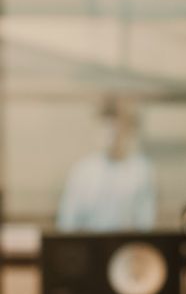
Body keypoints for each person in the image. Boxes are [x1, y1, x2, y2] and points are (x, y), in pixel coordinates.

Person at [56, 97, 156, 232]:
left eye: (117, 129)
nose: (111, 136)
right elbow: (67, 222)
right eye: (105, 128)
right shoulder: (82, 171)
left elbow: (145, 223)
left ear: (127, 130)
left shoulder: (141, 170)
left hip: (127, 247)